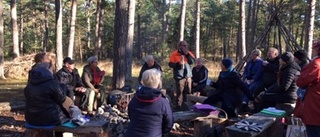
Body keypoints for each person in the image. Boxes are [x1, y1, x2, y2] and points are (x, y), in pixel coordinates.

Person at [24, 62, 72, 137]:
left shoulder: (29, 85)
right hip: (49, 120)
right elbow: (62, 99)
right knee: (66, 109)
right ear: (48, 71)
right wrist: (63, 86)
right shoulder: (52, 83)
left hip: (31, 119)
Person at [125, 69, 173, 137]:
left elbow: (131, 116)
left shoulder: (134, 99)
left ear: (143, 82)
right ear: (159, 83)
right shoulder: (163, 102)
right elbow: (169, 124)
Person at [294, 40, 320, 137]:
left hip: (315, 108)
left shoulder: (316, 64)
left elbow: (301, 81)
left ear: (317, 49)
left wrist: (297, 77)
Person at [168, 41, 195, 110]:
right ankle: (179, 106)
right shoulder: (174, 54)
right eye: (183, 45)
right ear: (179, 46)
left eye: (186, 46)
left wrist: (187, 55)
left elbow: (192, 62)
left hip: (188, 76)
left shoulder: (189, 53)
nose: (185, 47)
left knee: (188, 91)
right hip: (179, 76)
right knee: (180, 92)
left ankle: (187, 105)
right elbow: (170, 64)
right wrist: (178, 64)